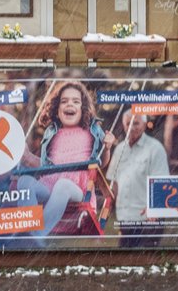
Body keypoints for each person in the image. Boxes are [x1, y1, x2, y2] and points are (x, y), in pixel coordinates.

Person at [18, 81, 114, 235]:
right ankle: (29, 228)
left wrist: (107, 148)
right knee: (24, 182)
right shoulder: (51, 131)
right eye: (64, 101)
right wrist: (27, 156)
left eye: (76, 101)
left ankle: (37, 235)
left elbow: (101, 162)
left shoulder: (92, 129)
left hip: (78, 191)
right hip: (49, 186)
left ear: (83, 108)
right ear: (57, 109)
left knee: (62, 185)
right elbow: (45, 165)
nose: (70, 104)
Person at [106, 107, 170, 248]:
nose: (131, 127)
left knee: (144, 261)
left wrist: (154, 214)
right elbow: (114, 183)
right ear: (123, 125)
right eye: (128, 123)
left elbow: (162, 184)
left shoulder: (155, 149)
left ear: (144, 124)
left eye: (136, 123)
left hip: (147, 221)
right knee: (125, 260)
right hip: (124, 218)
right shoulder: (119, 149)